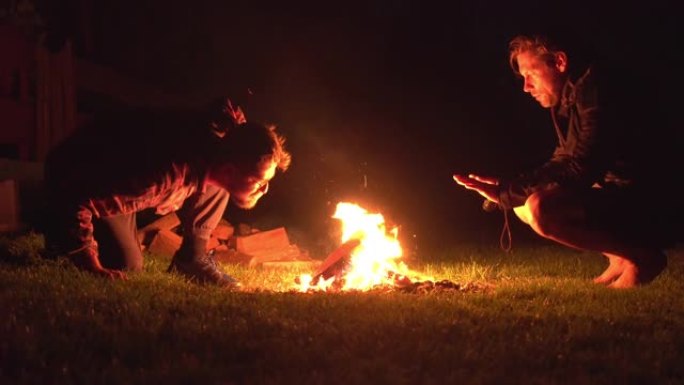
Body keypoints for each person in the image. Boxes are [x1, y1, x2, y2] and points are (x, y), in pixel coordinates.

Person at [453, 34, 680, 289]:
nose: (526, 87)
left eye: (531, 74)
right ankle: (620, 257)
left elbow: (583, 167)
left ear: (559, 62)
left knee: (540, 208)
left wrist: (510, 191)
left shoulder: (596, 91)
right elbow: (564, 159)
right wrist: (511, 186)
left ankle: (643, 258)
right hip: (623, 194)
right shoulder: (572, 96)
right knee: (521, 204)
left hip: (654, 201)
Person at [43, 98, 291, 288]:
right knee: (126, 265)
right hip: (77, 174)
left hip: (118, 177)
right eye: (259, 182)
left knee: (218, 186)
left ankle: (191, 259)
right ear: (229, 170)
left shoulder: (222, 144)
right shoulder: (166, 176)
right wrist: (88, 262)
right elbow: (75, 197)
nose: (264, 189)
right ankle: (59, 239)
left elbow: (234, 127)